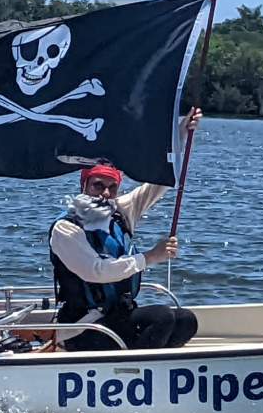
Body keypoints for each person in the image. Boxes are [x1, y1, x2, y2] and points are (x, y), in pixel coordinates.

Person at [49, 109, 202, 351]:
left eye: (112, 187)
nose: (106, 193)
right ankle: (138, 375)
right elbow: (96, 272)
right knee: (162, 318)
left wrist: (180, 135)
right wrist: (150, 257)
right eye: (98, 186)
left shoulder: (119, 212)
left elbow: (158, 183)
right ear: (84, 185)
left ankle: (153, 371)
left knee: (185, 320)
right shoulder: (66, 228)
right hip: (83, 327)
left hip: (117, 318)